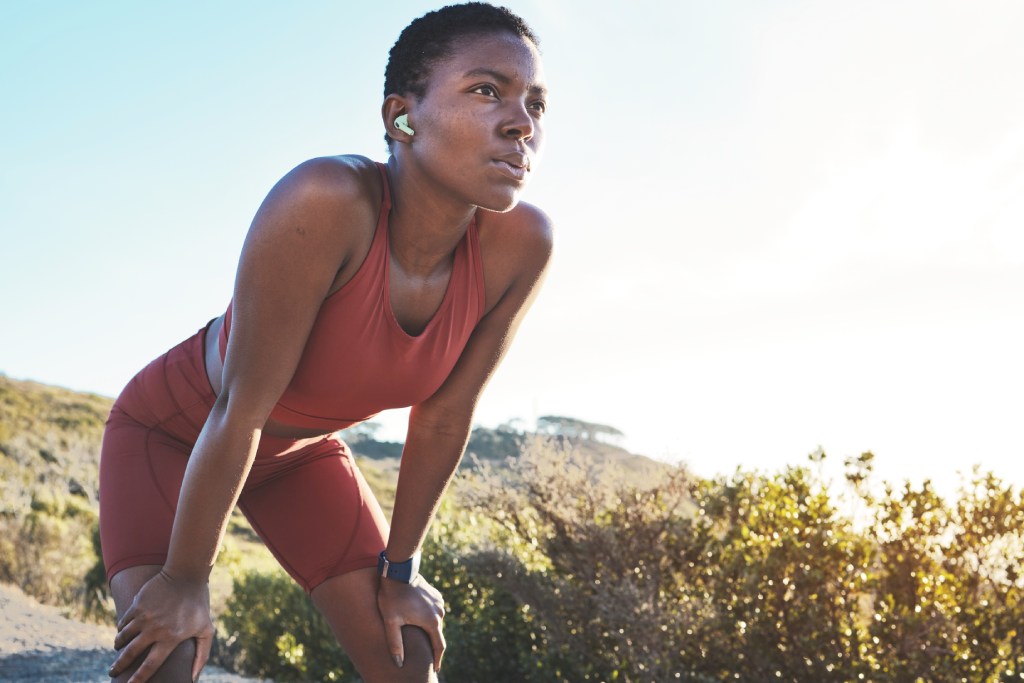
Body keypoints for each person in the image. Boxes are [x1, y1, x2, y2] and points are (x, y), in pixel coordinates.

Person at [99, 3, 551, 681]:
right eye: (487, 90)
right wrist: (187, 581)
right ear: (402, 117)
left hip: (299, 458)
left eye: (536, 104)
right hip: (175, 437)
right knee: (165, 660)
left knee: (410, 660)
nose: (522, 123)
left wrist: (402, 572)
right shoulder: (326, 199)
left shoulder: (523, 246)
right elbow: (239, 409)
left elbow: (445, 415)